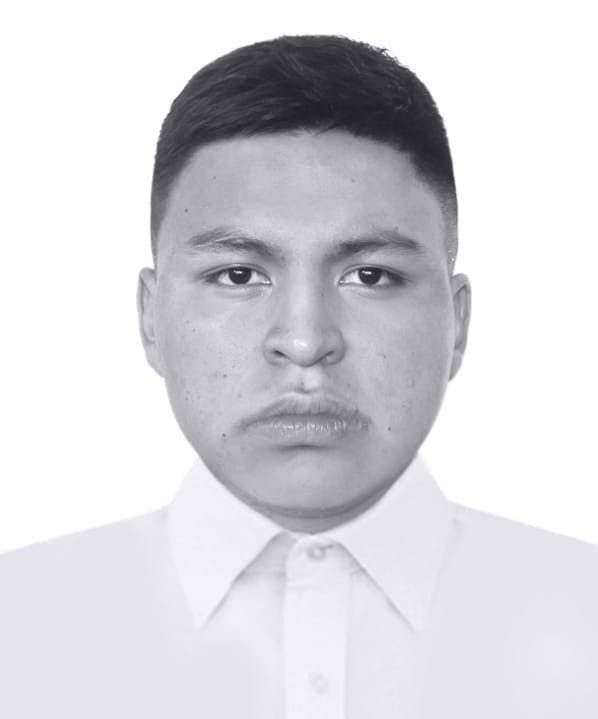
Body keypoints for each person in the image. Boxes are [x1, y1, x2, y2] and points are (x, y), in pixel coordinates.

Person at [1, 34, 596, 719]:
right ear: (150, 318)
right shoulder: (18, 629)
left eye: (370, 275)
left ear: (457, 323)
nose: (307, 341)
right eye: (238, 275)